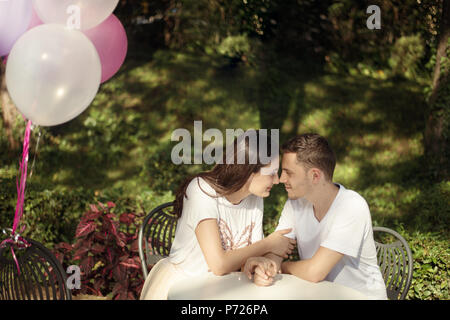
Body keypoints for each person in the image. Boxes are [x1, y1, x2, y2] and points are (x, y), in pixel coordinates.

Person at [140, 130, 296, 300]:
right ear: (249, 171)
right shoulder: (201, 190)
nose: (277, 180)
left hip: (224, 288)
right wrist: (270, 243)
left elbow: (250, 254)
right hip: (182, 288)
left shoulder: (254, 197)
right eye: (272, 173)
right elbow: (219, 264)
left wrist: (257, 264)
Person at [243, 133, 387, 300]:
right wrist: (266, 268)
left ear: (315, 176)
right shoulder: (295, 203)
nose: (281, 179)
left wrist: (284, 268)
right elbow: (276, 251)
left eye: (289, 173)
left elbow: (314, 272)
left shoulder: (351, 206)